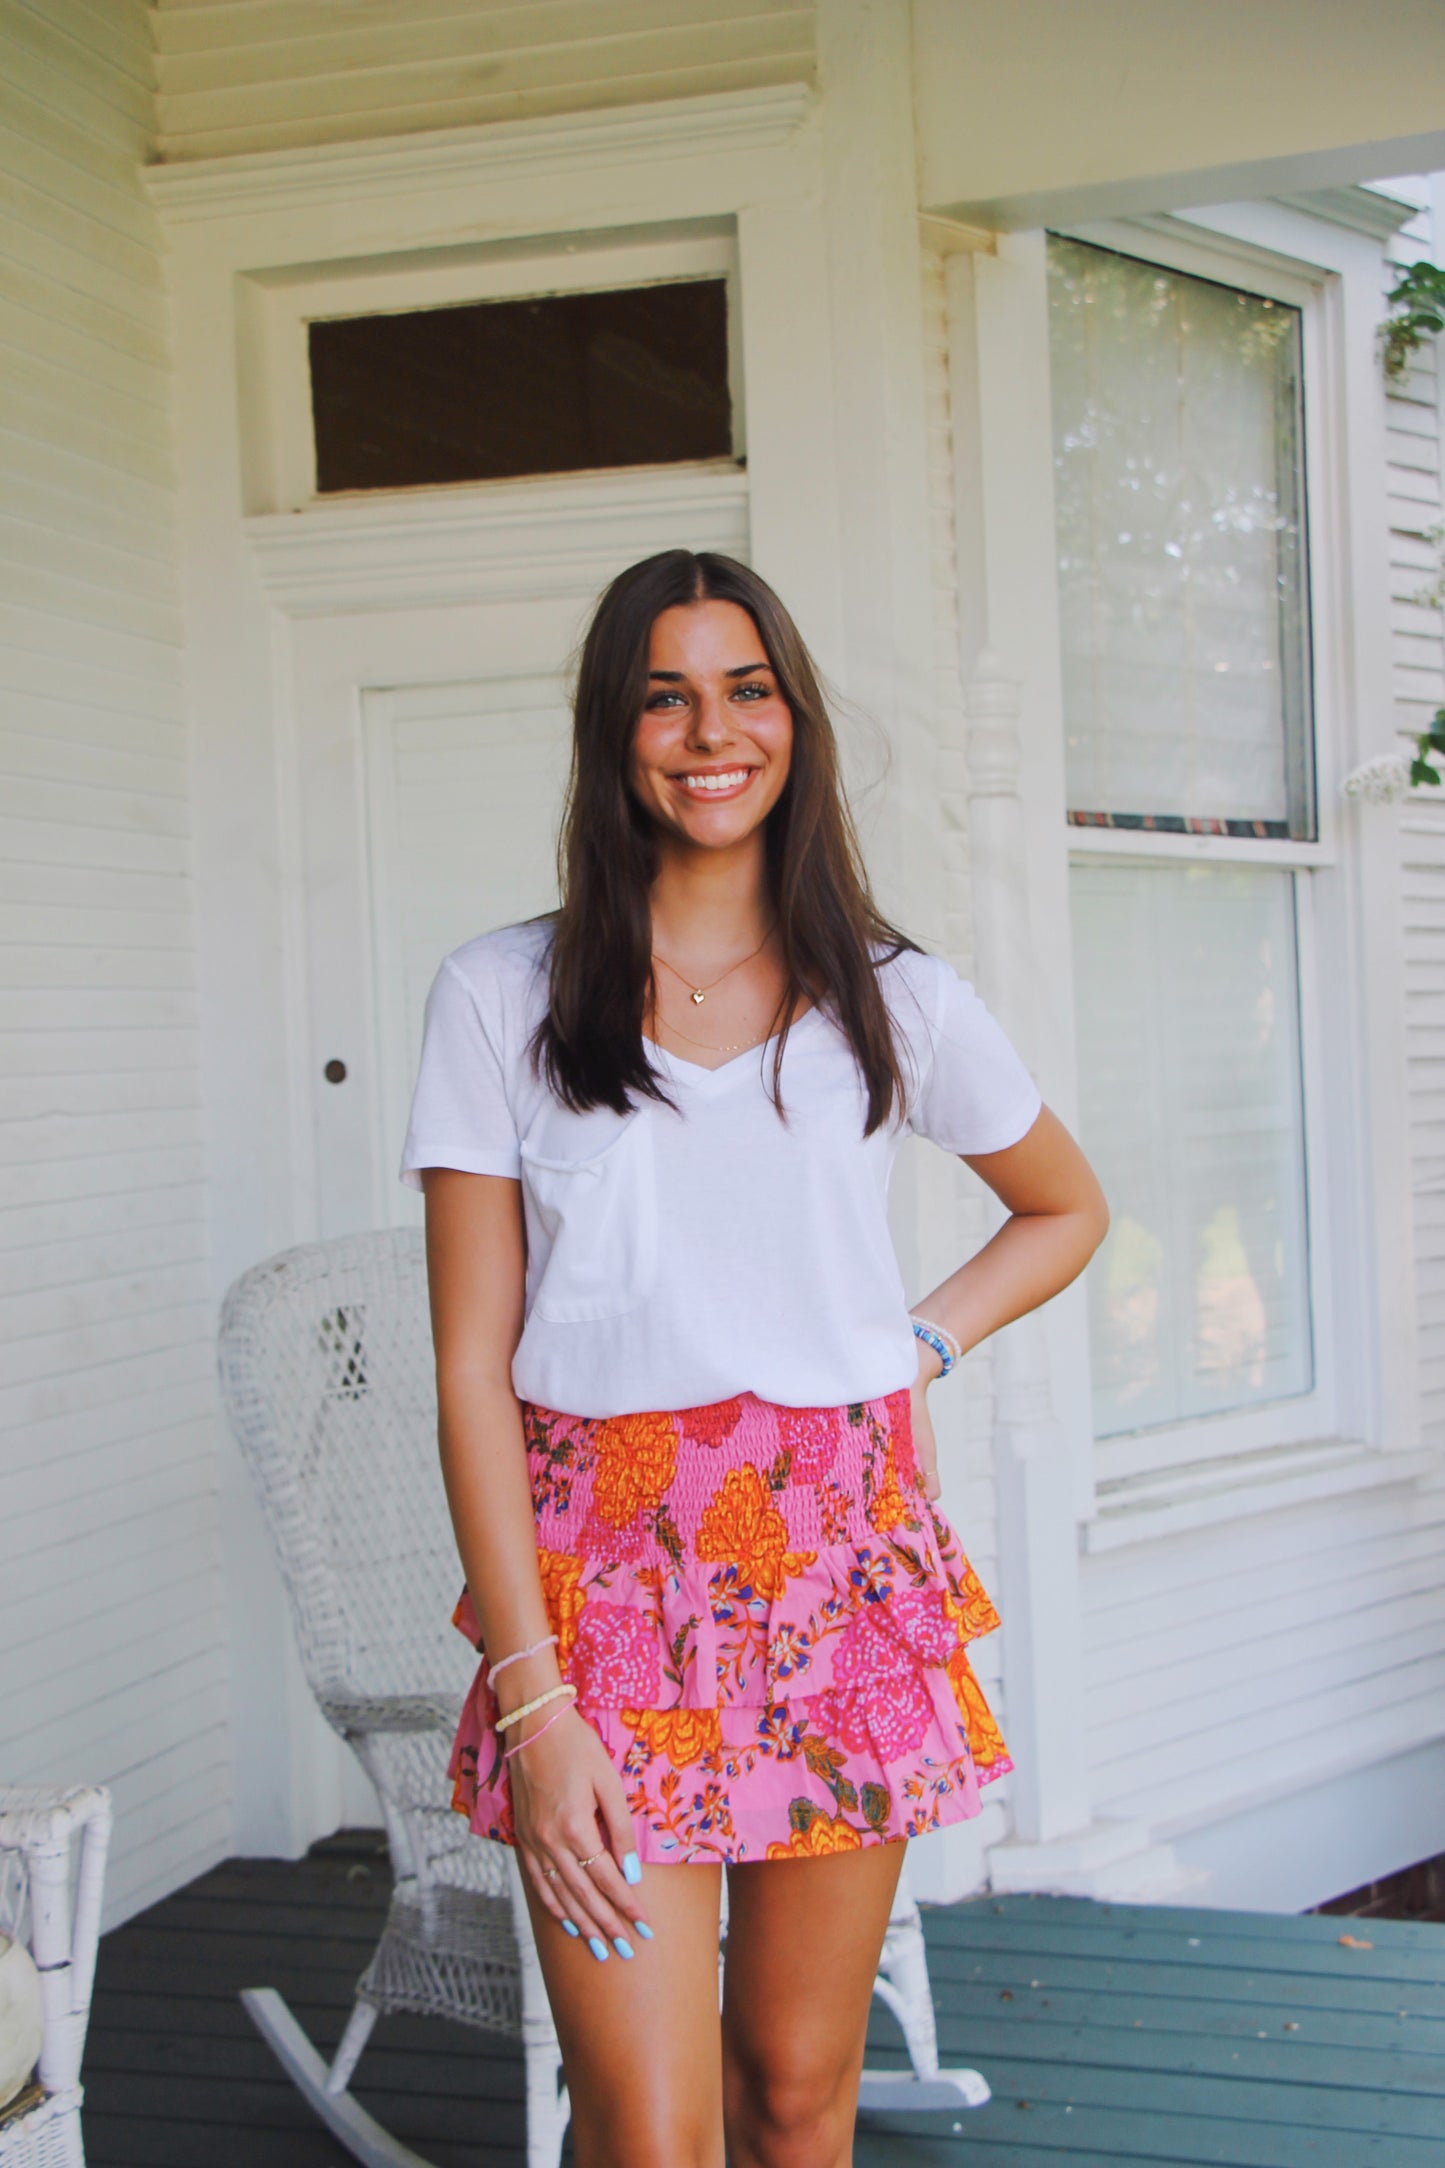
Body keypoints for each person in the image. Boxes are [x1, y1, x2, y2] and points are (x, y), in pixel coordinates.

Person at [400, 549, 1109, 2168]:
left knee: (793, 2094)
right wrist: (532, 1702)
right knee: (651, 2134)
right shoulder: (498, 995)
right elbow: (467, 1372)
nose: (710, 733)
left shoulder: (894, 997)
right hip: (600, 1595)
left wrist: (915, 1347)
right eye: (664, 697)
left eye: (746, 690)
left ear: (794, 721)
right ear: (613, 732)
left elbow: (1063, 1208)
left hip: (835, 1570)